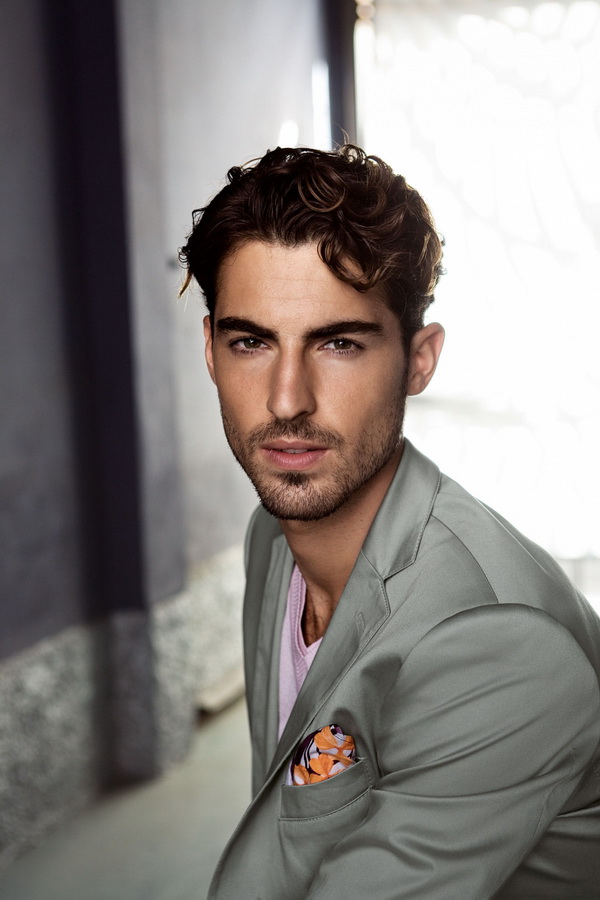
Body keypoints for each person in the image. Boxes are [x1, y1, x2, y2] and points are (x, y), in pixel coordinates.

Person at [179, 145, 600, 899]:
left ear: (419, 360)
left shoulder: (499, 643)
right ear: (210, 350)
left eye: (338, 343)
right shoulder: (274, 538)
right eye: (252, 341)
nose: (286, 399)